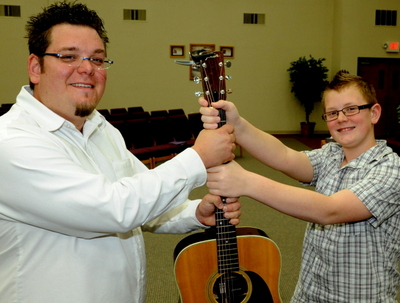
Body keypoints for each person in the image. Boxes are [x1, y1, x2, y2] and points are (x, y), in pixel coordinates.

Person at [0, 2, 241, 303]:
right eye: (69, 56)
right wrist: (198, 157)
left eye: (97, 59)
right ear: (36, 67)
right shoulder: (10, 141)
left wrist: (194, 213)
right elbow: (113, 209)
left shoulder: (101, 128)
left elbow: (145, 198)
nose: (87, 68)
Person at [201, 70, 400, 302]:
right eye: (333, 113)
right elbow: (284, 156)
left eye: (351, 109)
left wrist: (245, 181)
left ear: (374, 113)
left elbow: (329, 210)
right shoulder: (331, 155)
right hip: (310, 292)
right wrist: (237, 124)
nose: (342, 119)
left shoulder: (391, 170)